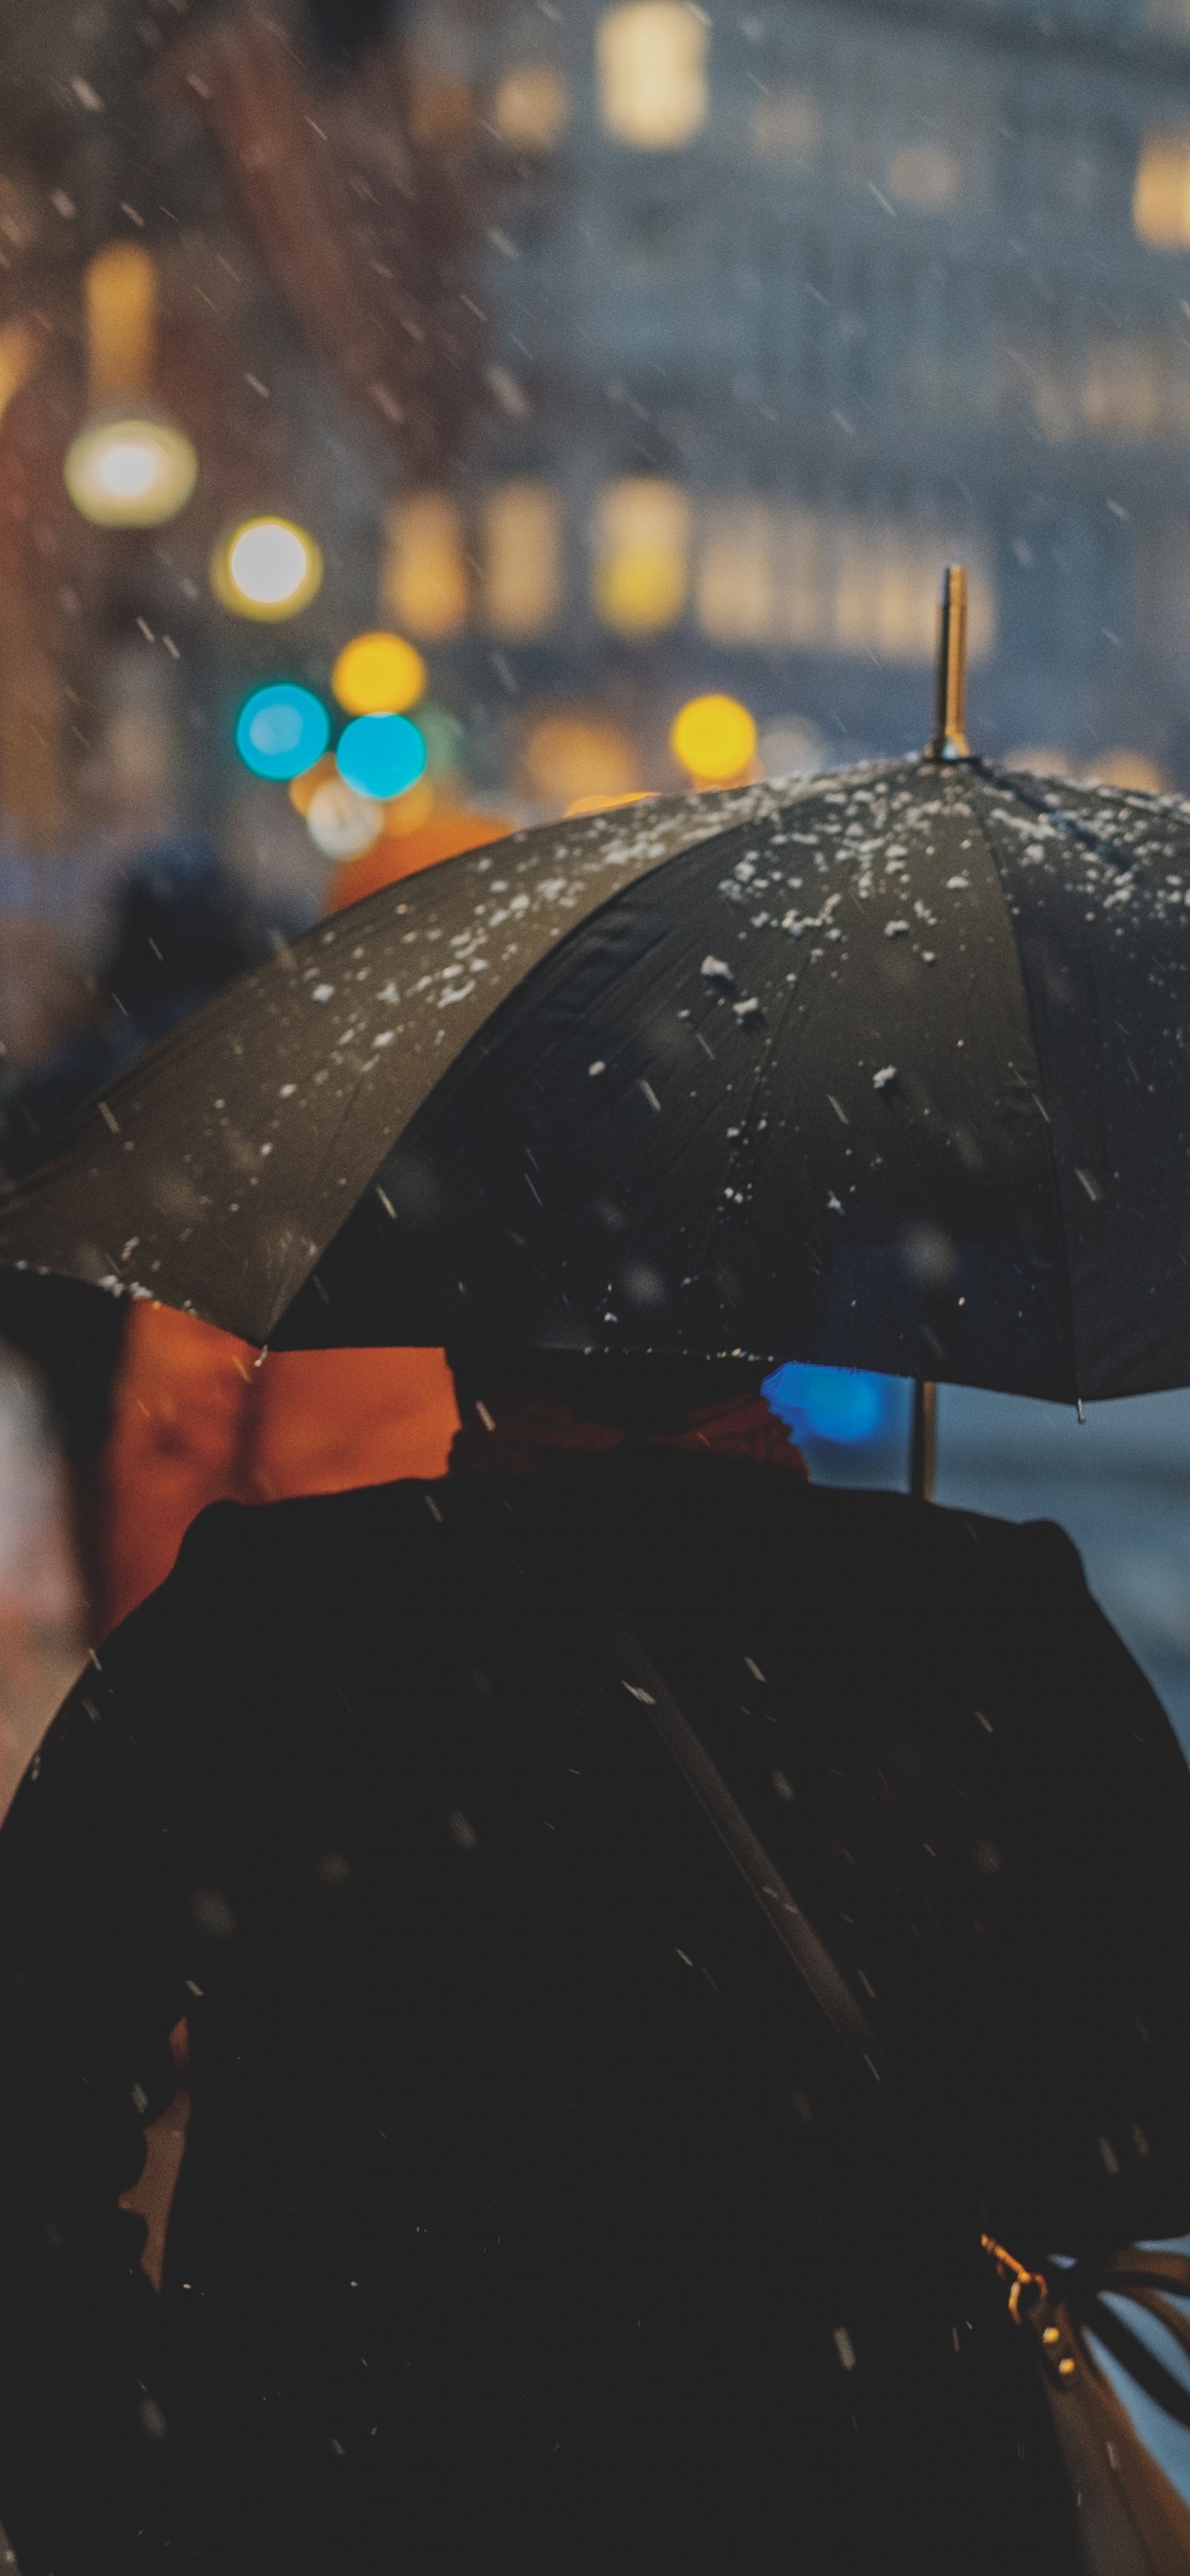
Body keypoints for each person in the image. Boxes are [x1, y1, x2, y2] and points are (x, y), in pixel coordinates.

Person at [0, 1347, 1189, 2576]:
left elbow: (27, 2092)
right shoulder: (981, 1612)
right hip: (872, 2496)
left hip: (347, 2500)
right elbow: (1131, 2147)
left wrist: (116, 2502)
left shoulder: (269, 1616)